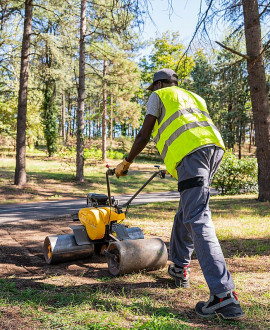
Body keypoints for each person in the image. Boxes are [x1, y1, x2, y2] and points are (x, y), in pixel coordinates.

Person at [115, 68, 244, 320]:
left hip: (191, 155)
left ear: (160, 83)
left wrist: (127, 161)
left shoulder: (160, 95)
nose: (152, 92)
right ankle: (179, 267)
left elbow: (144, 134)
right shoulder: (193, 96)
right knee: (186, 210)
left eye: (154, 87)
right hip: (213, 151)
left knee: (197, 217)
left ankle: (223, 296)